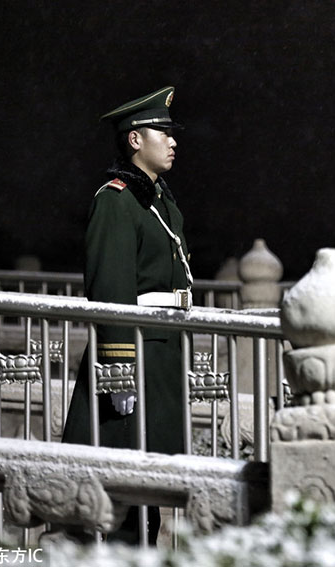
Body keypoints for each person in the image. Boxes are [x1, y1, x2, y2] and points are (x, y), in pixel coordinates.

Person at [61, 86, 192, 545]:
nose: (173, 141)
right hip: (134, 353)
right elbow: (110, 287)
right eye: (163, 133)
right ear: (135, 139)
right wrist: (119, 368)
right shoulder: (116, 199)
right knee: (117, 483)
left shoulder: (158, 200)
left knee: (150, 481)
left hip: (160, 349)